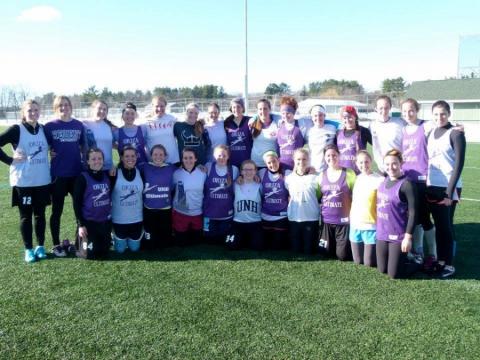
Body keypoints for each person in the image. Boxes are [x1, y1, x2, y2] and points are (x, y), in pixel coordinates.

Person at [0, 100, 51, 263]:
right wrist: (9, 160)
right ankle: (28, 249)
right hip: (24, 182)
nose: (33, 113)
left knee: (40, 215)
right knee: (25, 217)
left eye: (36, 110)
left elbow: (51, 147)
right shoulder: (16, 130)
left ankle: (40, 246)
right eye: (30, 110)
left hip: (42, 180)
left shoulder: (43, 129)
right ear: (23, 112)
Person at [426, 100, 466, 278]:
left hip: (448, 188)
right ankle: (441, 260)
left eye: (443, 113)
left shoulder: (456, 133)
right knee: (441, 226)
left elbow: (459, 164)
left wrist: (449, 193)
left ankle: (448, 264)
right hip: (432, 185)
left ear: (449, 114)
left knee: (445, 227)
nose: (439, 117)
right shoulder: (431, 132)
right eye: (436, 114)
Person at [44, 95, 85, 257]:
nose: (64, 108)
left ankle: (78, 243)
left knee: (79, 210)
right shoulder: (49, 126)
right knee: (57, 211)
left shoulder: (78, 125)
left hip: (76, 174)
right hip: (58, 175)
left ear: (71, 107)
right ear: (55, 108)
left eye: (66, 105)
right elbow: (42, 145)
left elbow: (83, 146)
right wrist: (49, 150)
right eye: (60, 105)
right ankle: (56, 244)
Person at [400, 98, 436, 267]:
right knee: (412, 216)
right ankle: (419, 250)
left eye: (411, 110)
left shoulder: (426, 125)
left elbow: (443, 126)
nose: (408, 114)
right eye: (405, 111)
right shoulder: (404, 129)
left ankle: (433, 253)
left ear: (417, 110)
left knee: (424, 217)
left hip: (422, 180)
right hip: (407, 179)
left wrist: (456, 127)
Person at [376, 149, 418, 279]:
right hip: (382, 233)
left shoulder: (407, 185)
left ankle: (416, 262)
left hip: (398, 235)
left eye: (394, 163)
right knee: (382, 270)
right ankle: (401, 260)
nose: (390, 167)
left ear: (401, 163)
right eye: (387, 164)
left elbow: (413, 213)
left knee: (394, 274)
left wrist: (407, 238)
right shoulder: (383, 181)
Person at [318, 144, 356, 261]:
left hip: (343, 222)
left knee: (342, 256)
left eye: (334, 155)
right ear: (324, 158)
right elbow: (318, 196)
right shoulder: (321, 175)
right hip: (327, 221)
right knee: (324, 253)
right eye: (328, 155)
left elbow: (356, 196)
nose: (331, 158)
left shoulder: (349, 173)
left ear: (339, 156)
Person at [73, 148, 111, 259]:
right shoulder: (82, 178)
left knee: (104, 252)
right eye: (93, 159)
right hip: (89, 223)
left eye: (100, 158)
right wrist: (81, 225)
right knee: (88, 255)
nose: (97, 161)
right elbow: (76, 203)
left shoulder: (107, 176)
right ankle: (77, 240)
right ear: (88, 161)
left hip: (104, 222)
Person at [349, 150, 383, 266]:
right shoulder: (356, 178)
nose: (364, 165)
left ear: (371, 161)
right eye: (361, 162)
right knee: (358, 261)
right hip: (355, 225)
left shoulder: (379, 180)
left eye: (366, 162)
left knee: (369, 263)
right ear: (356, 164)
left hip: (371, 226)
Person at [284, 148, 320, 254]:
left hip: (311, 218)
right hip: (295, 217)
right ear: (294, 160)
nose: (301, 162)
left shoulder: (316, 177)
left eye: (304, 159)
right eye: (298, 159)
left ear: (308, 160)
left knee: (309, 251)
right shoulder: (288, 178)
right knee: (296, 250)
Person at [140, 144, 176, 250]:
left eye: (161, 154)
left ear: (165, 156)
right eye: (155, 154)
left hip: (165, 209)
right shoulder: (144, 167)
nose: (158, 157)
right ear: (151, 155)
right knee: (149, 243)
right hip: (149, 209)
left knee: (164, 242)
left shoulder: (171, 168)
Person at [110, 145, 144, 253]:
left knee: (134, 249)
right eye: (127, 156)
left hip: (137, 219)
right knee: (120, 250)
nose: (130, 159)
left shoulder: (141, 172)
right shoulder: (114, 173)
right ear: (121, 158)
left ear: (137, 157)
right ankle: (113, 235)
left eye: (133, 156)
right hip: (119, 220)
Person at [203, 145, 238, 245]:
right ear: (214, 156)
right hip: (209, 214)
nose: (221, 158)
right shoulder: (208, 166)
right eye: (219, 155)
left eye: (224, 155)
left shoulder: (234, 169)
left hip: (226, 214)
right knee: (209, 241)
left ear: (228, 156)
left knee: (223, 239)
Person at [172, 148, 207, 246]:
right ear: (182, 159)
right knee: (181, 243)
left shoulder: (203, 173)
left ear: (196, 159)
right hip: (181, 212)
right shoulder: (176, 173)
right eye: (185, 158)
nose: (188, 160)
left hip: (197, 212)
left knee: (196, 242)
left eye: (191, 158)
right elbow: (171, 189)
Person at [226, 160, 263, 250]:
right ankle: (242, 238)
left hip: (255, 222)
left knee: (258, 247)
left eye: (251, 169)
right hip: (238, 222)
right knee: (229, 244)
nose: (248, 172)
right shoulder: (235, 184)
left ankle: (246, 239)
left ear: (255, 171)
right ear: (241, 171)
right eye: (245, 169)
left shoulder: (260, 185)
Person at [259, 151, 289, 250]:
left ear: (278, 160)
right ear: (266, 164)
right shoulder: (262, 173)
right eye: (269, 163)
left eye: (274, 161)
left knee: (278, 246)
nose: (272, 164)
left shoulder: (287, 173)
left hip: (281, 216)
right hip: (265, 215)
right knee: (264, 245)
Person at [369, 95, 406, 172]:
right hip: (383, 167)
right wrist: (381, 165)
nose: (384, 111)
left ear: (390, 107)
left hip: (399, 166)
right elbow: (376, 147)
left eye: (386, 107)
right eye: (381, 108)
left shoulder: (400, 122)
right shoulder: (372, 125)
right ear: (376, 108)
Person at [143, 96, 179, 164]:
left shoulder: (172, 119)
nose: (159, 109)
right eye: (157, 106)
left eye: (162, 106)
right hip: (154, 163)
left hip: (173, 161)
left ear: (165, 106)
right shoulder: (146, 123)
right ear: (152, 106)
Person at [335, 105, 370, 174]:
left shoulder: (363, 131)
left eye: (350, 117)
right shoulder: (338, 133)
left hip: (359, 172)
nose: (347, 120)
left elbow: (376, 145)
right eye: (345, 118)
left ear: (355, 117)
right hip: (342, 172)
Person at [83, 100, 116, 170]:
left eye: (104, 109)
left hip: (108, 167)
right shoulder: (84, 125)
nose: (102, 111)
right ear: (93, 109)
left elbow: (116, 144)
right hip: (92, 167)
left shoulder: (110, 127)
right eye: (99, 108)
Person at [304, 105, 337, 173]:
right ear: (312, 118)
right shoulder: (309, 131)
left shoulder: (332, 128)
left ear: (324, 116)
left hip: (329, 168)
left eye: (320, 115)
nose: (318, 118)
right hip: (313, 168)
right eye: (315, 116)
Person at [249, 98, 279, 168]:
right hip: (256, 162)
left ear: (270, 109)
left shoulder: (276, 123)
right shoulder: (252, 122)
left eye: (265, 108)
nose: (263, 111)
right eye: (260, 109)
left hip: (272, 163)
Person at [277, 96, 305, 170]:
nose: (285, 116)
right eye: (283, 113)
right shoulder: (279, 124)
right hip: (281, 165)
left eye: (288, 113)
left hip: (297, 166)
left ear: (294, 113)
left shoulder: (301, 125)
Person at [116, 102, 148, 166]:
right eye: (127, 113)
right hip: (125, 167)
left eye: (132, 113)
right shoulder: (116, 132)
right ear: (122, 115)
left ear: (136, 115)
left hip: (142, 165)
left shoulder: (143, 129)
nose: (130, 116)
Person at [224, 97, 252, 168]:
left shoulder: (250, 120)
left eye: (238, 107)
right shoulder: (227, 122)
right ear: (231, 109)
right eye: (234, 107)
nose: (236, 109)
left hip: (247, 160)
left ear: (243, 108)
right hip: (232, 161)